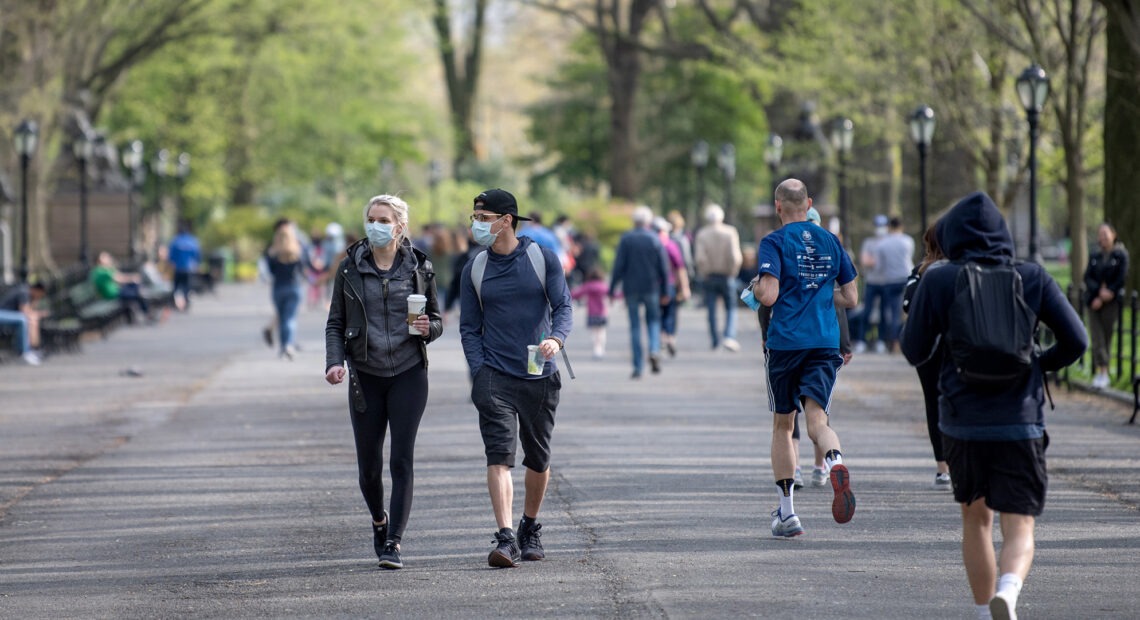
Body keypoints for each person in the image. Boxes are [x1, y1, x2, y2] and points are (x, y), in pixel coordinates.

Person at [900, 191, 1086, 620]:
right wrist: (1039, 365)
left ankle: (985, 612)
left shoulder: (940, 279)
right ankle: (1009, 589)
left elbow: (913, 350)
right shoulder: (1032, 276)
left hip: (962, 422)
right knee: (1019, 524)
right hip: (1019, 420)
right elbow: (1077, 340)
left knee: (976, 520)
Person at [324, 194, 443, 570]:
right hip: (365, 375)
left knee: (401, 459)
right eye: (371, 218)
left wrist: (428, 329)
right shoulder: (349, 268)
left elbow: (438, 319)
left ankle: (394, 542)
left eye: (383, 219)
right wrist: (334, 362)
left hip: (409, 373)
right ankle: (379, 520)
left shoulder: (420, 268)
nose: (376, 225)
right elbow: (335, 323)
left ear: (400, 226)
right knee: (369, 467)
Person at [458, 188, 572, 568]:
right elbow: (469, 328)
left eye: (483, 217)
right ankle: (505, 537)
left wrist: (556, 339)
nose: (476, 223)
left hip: (540, 374)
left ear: (506, 221)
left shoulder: (542, 258)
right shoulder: (474, 268)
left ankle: (530, 526)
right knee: (499, 456)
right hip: (494, 376)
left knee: (537, 458)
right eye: (474, 216)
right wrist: (478, 371)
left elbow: (563, 306)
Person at [750, 179, 859, 538]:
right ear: (809, 203)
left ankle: (787, 514)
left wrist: (755, 287)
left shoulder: (774, 241)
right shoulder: (831, 240)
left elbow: (769, 296)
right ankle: (835, 461)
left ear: (778, 206)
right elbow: (851, 296)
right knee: (818, 423)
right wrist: (820, 297)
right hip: (825, 342)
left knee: (784, 424)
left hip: (785, 343)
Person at [904, 222, 952, 488]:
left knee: (933, 404)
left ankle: (942, 467)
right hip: (953, 346)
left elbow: (908, 303)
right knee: (952, 401)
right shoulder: (959, 270)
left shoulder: (920, 272)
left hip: (927, 348)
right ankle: (953, 462)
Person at [609, 206, 669, 378]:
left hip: (631, 288)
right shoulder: (655, 239)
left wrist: (612, 289)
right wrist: (666, 291)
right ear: (648, 222)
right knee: (653, 321)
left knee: (635, 326)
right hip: (651, 288)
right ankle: (654, 349)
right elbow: (664, 268)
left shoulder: (626, 239)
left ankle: (638, 367)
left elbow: (618, 266)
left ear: (634, 221)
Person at [1082, 222, 1128, 389]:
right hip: (1093, 302)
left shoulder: (1120, 255)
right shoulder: (1095, 255)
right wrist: (1097, 294)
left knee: (1107, 336)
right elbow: (1087, 277)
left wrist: (1109, 292)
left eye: (1106, 234)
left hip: (1111, 302)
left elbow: (1121, 278)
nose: (1103, 237)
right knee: (1097, 336)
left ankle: (1104, 371)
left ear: (1113, 235)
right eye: (1100, 234)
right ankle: (1101, 371)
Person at [694, 203, 743, 352]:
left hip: (709, 276)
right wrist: (733, 272)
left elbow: (700, 258)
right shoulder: (730, 232)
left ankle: (715, 339)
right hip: (727, 275)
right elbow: (735, 257)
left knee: (711, 309)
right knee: (731, 307)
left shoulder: (702, 234)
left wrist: (704, 272)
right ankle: (729, 335)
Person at [263, 221, 310, 360]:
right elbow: (304, 268)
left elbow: (270, 271)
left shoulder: (272, 253)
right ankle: (288, 345)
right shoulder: (298, 250)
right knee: (290, 318)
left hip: (278, 288)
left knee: (282, 317)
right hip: (294, 287)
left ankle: (284, 346)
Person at [872, 216, 915, 353]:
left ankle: (894, 342)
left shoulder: (882, 244)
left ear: (889, 227)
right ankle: (910, 340)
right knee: (910, 311)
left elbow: (879, 267)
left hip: (891, 280)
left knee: (893, 313)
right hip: (907, 278)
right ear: (901, 226)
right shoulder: (908, 241)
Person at [654, 216, 690, 358]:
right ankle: (670, 338)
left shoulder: (651, 245)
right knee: (671, 313)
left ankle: (662, 338)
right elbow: (680, 267)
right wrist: (685, 287)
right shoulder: (670, 245)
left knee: (657, 314)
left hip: (653, 286)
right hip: (670, 284)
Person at [855, 215, 888, 353]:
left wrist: (873, 260)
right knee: (867, 312)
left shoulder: (889, 242)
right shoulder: (869, 242)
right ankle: (862, 341)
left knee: (884, 312)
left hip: (886, 282)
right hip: (872, 282)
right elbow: (865, 261)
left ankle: (881, 341)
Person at [90, 251, 151, 324]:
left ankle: (135, 314)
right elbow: (119, 278)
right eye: (105, 257)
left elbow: (119, 275)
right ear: (99, 260)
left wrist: (132, 278)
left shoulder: (106, 269)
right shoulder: (100, 271)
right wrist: (132, 278)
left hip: (117, 291)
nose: (108, 258)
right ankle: (146, 314)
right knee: (138, 294)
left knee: (136, 288)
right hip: (113, 295)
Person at [0, 282, 46, 365]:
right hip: (2, 313)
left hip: (8, 316)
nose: (40, 297)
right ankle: (26, 353)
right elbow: (25, 312)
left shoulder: (26, 292)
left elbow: (28, 310)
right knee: (23, 320)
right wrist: (39, 314)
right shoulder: (24, 292)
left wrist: (35, 300)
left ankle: (32, 350)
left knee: (29, 320)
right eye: (40, 294)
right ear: (37, 290)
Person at [572, 266, 613, 359]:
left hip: (591, 313)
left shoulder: (588, 286)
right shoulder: (603, 286)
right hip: (602, 313)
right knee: (601, 331)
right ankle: (601, 349)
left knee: (594, 332)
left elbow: (576, 293)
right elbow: (613, 294)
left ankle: (596, 349)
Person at [168, 220, 201, 312]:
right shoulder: (192, 241)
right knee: (187, 286)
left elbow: (171, 256)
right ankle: (186, 302)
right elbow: (197, 255)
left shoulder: (176, 241)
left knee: (176, 286)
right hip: (189, 269)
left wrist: (172, 263)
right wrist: (197, 264)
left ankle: (174, 302)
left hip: (178, 268)